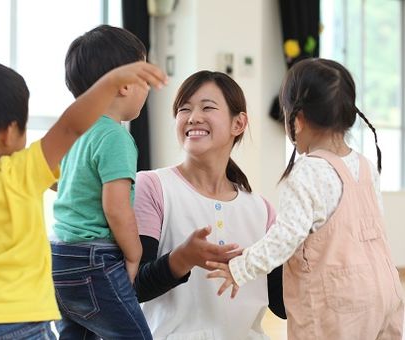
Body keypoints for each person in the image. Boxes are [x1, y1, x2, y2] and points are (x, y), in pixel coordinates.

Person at [0, 59, 166, 339]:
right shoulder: (20, 173)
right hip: (17, 325)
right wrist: (110, 82)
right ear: (8, 133)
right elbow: (71, 126)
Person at [207, 58, 404, 339]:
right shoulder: (364, 166)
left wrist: (240, 267)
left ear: (297, 120)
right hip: (386, 290)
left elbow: (284, 239)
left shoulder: (309, 171)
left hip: (338, 302)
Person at [133, 70, 286, 340]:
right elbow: (132, 288)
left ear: (238, 124)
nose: (193, 117)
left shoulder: (261, 211)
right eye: (184, 109)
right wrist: (182, 259)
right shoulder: (152, 186)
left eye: (207, 107)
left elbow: (282, 304)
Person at [50, 25, 164, 339]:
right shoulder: (115, 137)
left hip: (59, 257)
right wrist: (134, 254)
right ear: (125, 85)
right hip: (94, 260)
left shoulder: (77, 131)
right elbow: (116, 208)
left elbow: (56, 180)